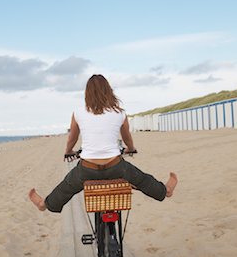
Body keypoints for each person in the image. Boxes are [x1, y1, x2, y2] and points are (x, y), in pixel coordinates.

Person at [29, 74, 177, 212]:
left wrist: (69, 151)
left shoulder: (79, 112)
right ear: (108, 91)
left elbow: (72, 139)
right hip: (115, 166)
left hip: (88, 168)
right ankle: (166, 191)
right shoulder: (119, 112)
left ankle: (44, 204)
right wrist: (130, 149)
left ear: (87, 93)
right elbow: (127, 139)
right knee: (142, 179)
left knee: (67, 185)